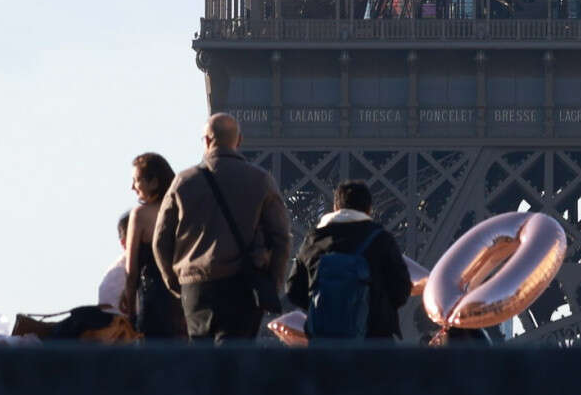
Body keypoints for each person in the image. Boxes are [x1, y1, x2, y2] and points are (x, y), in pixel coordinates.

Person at [153, 114, 290, 341]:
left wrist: (176, 282)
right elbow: (281, 238)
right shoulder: (260, 180)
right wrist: (273, 284)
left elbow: (161, 240)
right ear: (239, 140)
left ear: (207, 141)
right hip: (243, 284)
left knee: (203, 363)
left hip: (196, 286)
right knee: (235, 362)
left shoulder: (183, 181)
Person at [291, 180, 419, 343]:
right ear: (369, 209)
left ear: (336, 207)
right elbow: (401, 290)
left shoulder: (314, 240)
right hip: (373, 342)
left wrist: (324, 306)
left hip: (325, 342)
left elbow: (294, 290)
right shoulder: (382, 240)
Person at [104, 153, 183, 344]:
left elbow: (131, 272)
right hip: (182, 301)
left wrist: (130, 314)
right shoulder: (182, 211)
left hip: (153, 300)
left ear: (154, 182)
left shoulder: (139, 215)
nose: (132, 187)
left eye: (136, 180)